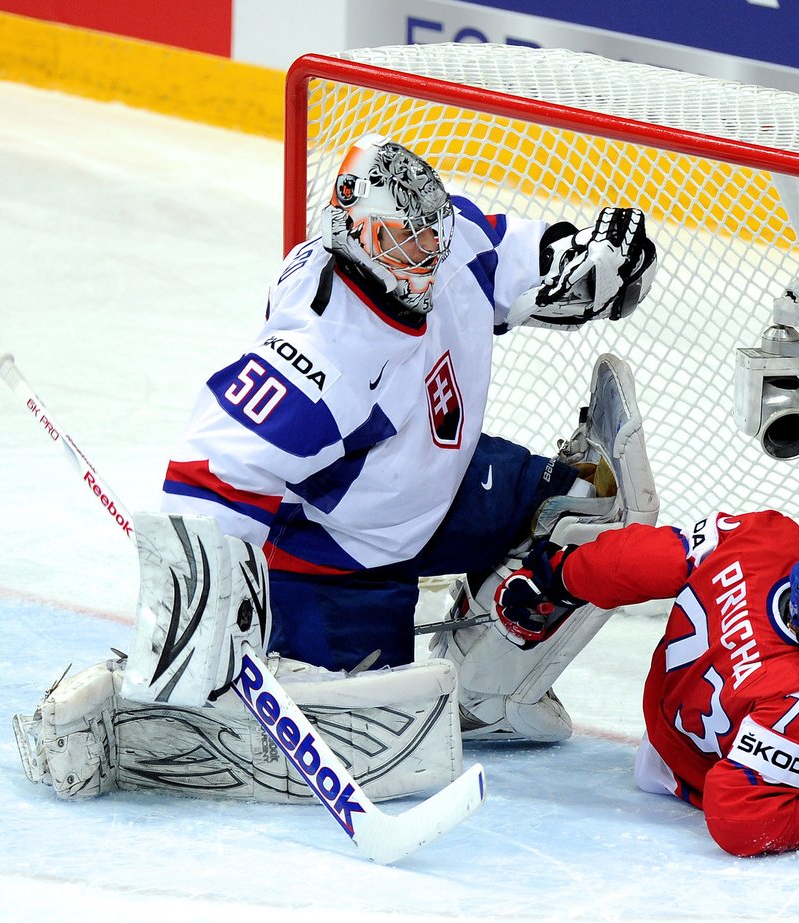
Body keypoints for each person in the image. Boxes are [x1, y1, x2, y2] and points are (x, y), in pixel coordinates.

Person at [160, 132, 658, 675]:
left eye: (430, 238)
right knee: (364, 726)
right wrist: (205, 611)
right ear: (354, 231)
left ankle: (491, 693)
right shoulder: (323, 345)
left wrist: (590, 258)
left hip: (441, 485)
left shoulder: (439, 245)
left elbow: (505, 253)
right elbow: (213, 469)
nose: (425, 258)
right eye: (405, 241)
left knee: (585, 511)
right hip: (341, 555)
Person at [492, 509, 799, 856]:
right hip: (696, 771)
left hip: (674, 709)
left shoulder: (765, 539)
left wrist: (560, 577)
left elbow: (643, 557)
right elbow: (742, 822)